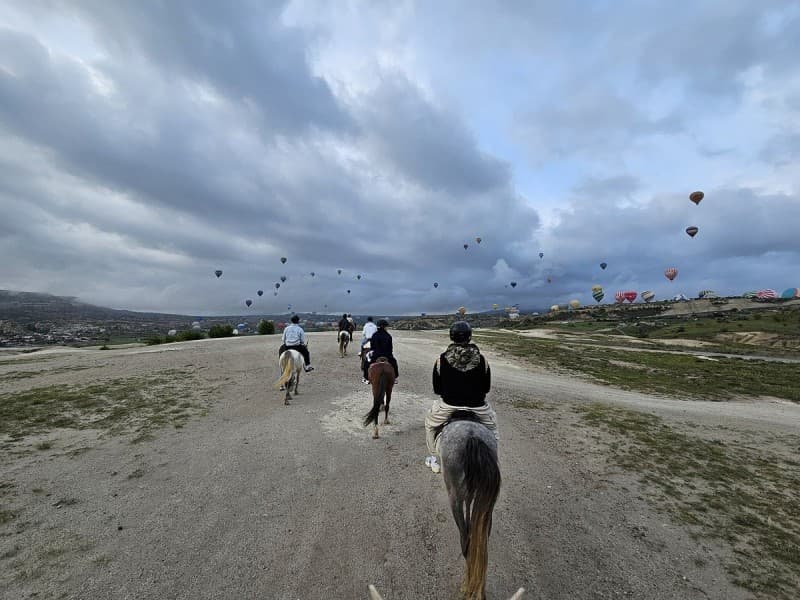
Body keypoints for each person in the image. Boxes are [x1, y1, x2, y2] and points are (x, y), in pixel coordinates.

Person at [424, 321, 497, 473]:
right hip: (478, 407)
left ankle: (434, 458)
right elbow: (486, 388)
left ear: (451, 337)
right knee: (493, 429)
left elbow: (437, 389)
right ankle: (492, 461)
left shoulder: (440, 360)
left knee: (430, 425)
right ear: (470, 337)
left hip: (449, 405)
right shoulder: (483, 360)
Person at [362, 319, 399, 383]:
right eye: (386, 327)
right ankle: (395, 377)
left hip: (376, 355)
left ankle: (366, 378)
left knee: (366, 364)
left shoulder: (374, 335)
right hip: (387, 355)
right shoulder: (388, 336)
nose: (387, 328)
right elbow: (391, 348)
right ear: (384, 327)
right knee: (394, 363)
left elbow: (372, 347)